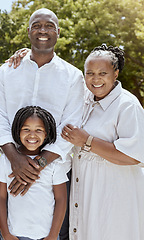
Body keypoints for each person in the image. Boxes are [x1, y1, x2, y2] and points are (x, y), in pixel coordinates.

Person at [0, 8, 84, 239]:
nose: (43, 30)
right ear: (28, 31)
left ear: (58, 32)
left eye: (49, 25)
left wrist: (37, 165)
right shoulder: (6, 72)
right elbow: (0, 117)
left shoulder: (73, 77)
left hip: (56, 175)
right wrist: (16, 160)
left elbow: (71, 127)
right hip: (13, 173)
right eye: (37, 25)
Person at [61, 44, 144, 240]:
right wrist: (26, 54)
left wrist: (87, 141)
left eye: (102, 73)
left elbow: (134, 155)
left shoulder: (127, 105)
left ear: (115, 74)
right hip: (86, 193)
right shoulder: (84, 100)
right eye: (90, 73)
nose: (95, 79)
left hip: (116, 194)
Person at [0, 106, 68, 240]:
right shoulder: (6, 161)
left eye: (39, 130)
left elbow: (61, 199)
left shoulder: (55, 163)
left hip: (46, 236)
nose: (32, 135)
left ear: (47, 133)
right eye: (26, 129)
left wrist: (53, 235)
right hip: (14, 235)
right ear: (17, 132)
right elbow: (0, 198)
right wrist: (6, 234)